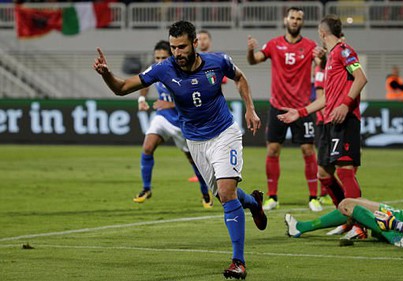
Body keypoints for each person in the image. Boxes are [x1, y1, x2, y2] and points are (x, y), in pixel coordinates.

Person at [93, 20, 267, 279]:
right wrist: (106, 73)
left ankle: (238, 261)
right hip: (195, 141)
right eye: (173, 47)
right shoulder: (163, 69)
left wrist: (250, 109)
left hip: (224, 134)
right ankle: (253, 203)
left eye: (182, 47)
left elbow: (239, 77)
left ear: (195, 43)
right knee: (223, 196)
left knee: (226, 192)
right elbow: (121, 88)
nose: (177, 53)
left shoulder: (218, 62)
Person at [278, 14, 368, 239]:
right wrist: (298, 113)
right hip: (329, 122)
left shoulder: (344, 51)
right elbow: (326, 98)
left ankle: (359, 226)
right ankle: (347, 217)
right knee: (323, 173)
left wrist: (346, 105)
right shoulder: (330, 59)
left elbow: (361, 78)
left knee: (345, 171)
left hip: (344, 120)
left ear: (322, 33)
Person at [247, 7, 323, 212]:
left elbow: (321, 63)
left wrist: (323, 57)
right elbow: (254, 60)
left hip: (302, 109)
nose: (295, 21)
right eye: (293, 17)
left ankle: (314, 197)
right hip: (277, 107)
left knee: (308, 150)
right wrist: (250, 50)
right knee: (272, 149)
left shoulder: (310, 46)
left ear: (302, 22)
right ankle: (272, 197)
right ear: (285, 20)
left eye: (299, 18)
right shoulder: (274, 44)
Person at [134, 40, 212, 209]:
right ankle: (146, 189)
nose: (160, 60)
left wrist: (169, 104)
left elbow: (194, 99)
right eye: (157, 57)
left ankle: (205, 192)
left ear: (171, 57)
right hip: (162, 118)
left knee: (193, 160)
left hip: (183, 121)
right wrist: (141, 99)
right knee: (147, 147)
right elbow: (143, 83)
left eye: (163, 57)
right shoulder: (155, 70)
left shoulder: (182, 72)